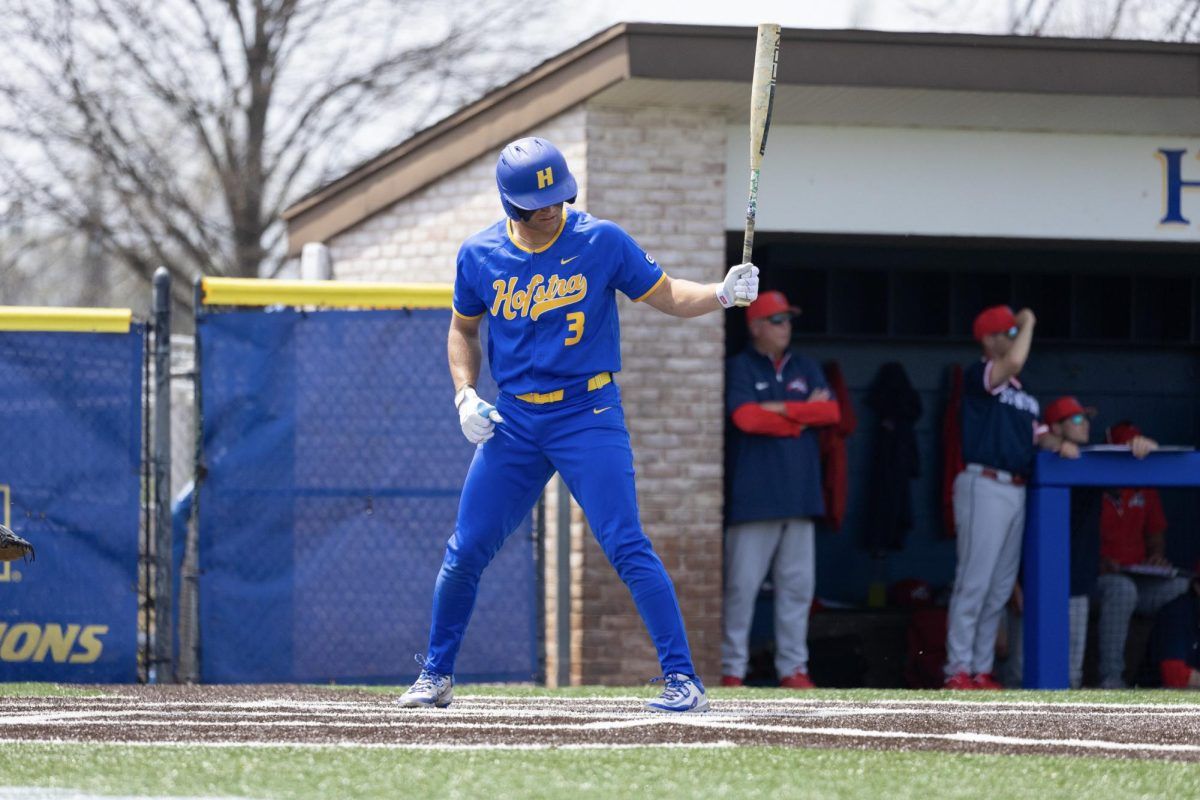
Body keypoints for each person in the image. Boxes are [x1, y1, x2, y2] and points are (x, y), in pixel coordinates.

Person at [396, 136, 759, 713]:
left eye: (557, 199)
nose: (550, 211)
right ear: (509, 204)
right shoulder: (478, 254)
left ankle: (682, 681)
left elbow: (665, 295)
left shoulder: (600, 240)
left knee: (624, 541)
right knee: (465, 550)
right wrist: (465, 395)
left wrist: (720, 292)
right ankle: (436, 675)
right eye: (536, 205)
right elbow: (463, 329)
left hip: (586, 414)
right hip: (513, 418)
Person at [720, 291, 840, 689]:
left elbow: (831, 412)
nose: (786, 327)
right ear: (755, 327)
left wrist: (777, 410)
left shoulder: (804, 366)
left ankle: (793, 669)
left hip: (801, 496)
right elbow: (746, 418)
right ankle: (732, 669)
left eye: (788, 320)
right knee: (742, 589)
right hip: (754, 498)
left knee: (797, 589)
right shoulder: (738, 366)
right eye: (777, 320)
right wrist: (798, 419)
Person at [944, 305, 1066, 690]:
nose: (1014, 339)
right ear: (989, 339)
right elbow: (1011, 362)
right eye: (1007, 333)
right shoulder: (981, 373)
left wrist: (1062, 443)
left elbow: (1041, 435)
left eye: (1014, 333)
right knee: (974, 581)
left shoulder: (1023, 393)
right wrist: (1028, 322)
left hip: (1015, 488)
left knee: (998, 587)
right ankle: (957, 669)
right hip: (985, 482)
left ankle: (980, 669)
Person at [1091, 420, 1188, 688]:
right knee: (1122, 591)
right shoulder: (1094, 486)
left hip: (1139, 577)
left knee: (1181, 587)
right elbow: (1078, 542)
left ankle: (1162, 672)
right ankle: (1111, 679)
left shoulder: (1144, 486)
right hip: (1100, 581)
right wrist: (1097, 563)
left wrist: (1156, 557)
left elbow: (1156, 534)